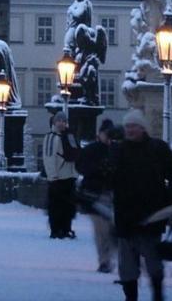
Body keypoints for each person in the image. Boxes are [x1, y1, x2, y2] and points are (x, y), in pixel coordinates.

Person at [108, 109, 172, 301]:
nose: (130, 130)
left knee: (153, 262)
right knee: (127, 266)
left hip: (152, 215)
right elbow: (108, 177)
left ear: (143, 128)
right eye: (127, 126)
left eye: (133, 126)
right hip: (125, 216)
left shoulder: (158, 149)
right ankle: (130, 298)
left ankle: (158, 296)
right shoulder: (118, 150)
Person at [77, 118, 120, 272]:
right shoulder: (91, 150)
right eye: (105, 133)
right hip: (94, 196)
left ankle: (110, 257)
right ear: (100, 134)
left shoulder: (117, 150)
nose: (108, 137)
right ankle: (104, 260)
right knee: (101, 230)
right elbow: (80, 167)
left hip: (112, 195)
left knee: (112, 229)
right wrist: (98, 169)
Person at [42, 111, 79, 239]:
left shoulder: (69, 136)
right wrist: (52, 176)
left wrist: (75, 174)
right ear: (54, 122)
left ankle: (66, 228)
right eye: (59, 121)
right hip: (58, 178)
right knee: (56, 206)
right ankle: (56, 230)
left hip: (69, 176)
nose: (61, 123)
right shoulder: (51, 137)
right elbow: (48, 157)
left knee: (68, 206)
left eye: (63, 121)